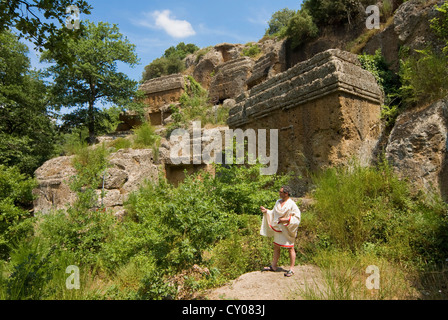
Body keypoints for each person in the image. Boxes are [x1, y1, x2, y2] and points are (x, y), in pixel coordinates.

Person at [260, 186, 301, 277]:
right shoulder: (278, 202)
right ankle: (274, 266)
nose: (279, 193)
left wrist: (286, 220)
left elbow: (297, 217)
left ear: (286, 193)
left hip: (287, 229)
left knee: (290, 248)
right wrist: (266, 211)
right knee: (276, 246)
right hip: (278, 228)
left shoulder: (292, 204)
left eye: (281, 192)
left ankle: (291, 269)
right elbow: (273, 213)